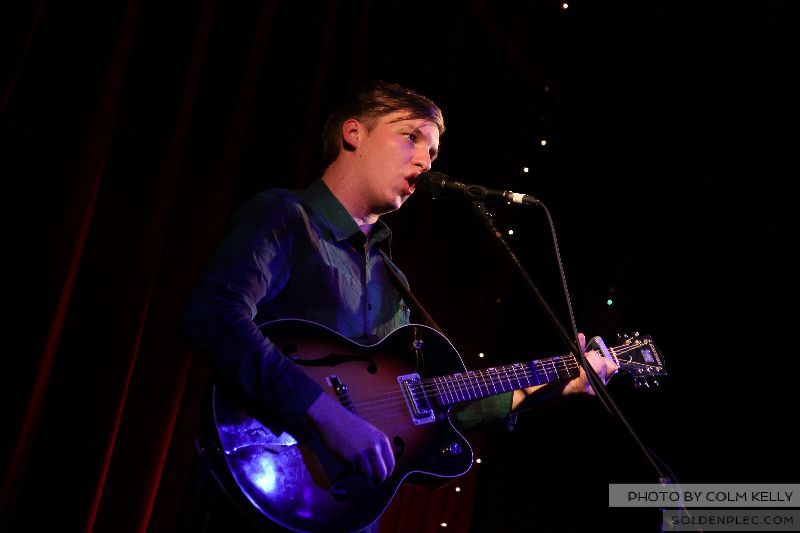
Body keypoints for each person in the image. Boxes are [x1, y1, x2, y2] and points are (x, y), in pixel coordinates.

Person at [179, 80, 617, 532]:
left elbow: (432, 405)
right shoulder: (285, 216)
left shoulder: (393, 278)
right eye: (411, 137)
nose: (426, 160)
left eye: (433, 152)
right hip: (256, 475)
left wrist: (558, 386)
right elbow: (213, 315)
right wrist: (325, 414)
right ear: (354, 133)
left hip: (342, 508)